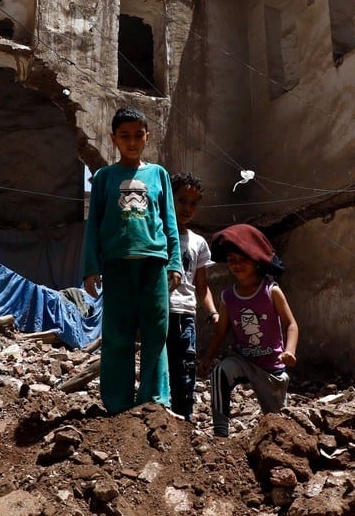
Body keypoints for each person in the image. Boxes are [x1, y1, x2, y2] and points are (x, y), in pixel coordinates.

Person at [83, 107, 183, 413]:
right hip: (117, 264)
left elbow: (169, 222)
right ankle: (117, 402)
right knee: (117, 334)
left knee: (156, 332)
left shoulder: (158, 175)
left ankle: (154, 400)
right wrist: (90, 268)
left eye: (138, 135)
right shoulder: (103, 177)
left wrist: (175, 262)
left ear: (147, 137)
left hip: (153, 262)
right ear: (113, 139)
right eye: (124, 136)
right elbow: (93, 226)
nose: (132, 141)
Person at [200, 224, 298, 438]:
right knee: (220, 372)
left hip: (271, 367)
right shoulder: (228, 297)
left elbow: (291, 324)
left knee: (279, 425)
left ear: (256, 261)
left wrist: (289, 351)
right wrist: (207, 358)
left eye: (242, 260)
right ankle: (220, 432)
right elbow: (221, 331)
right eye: (232, 260)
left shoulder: (271, 291)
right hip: (243, 360)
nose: (237, 265)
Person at [166, 173, 218, 422]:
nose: (187, 208)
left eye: (193, 203)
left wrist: (213, 313)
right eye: (182, 200)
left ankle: (183, 420)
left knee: (186, 367)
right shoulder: (157, 236)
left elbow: (202, 287)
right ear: (169, 199)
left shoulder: (198, 242)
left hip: (186, 314)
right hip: (160, 312)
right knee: (159, 366)